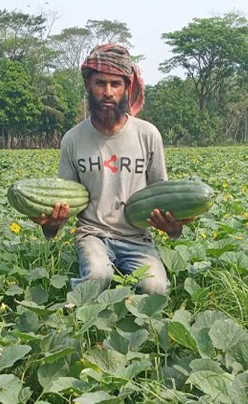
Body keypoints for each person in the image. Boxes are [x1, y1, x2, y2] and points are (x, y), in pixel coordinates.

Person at [31, 43, 194, 295]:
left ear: (127, 88)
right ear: (88, 86)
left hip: (137, 238)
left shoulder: (147, 135)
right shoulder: (73, 140)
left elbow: (162, 195)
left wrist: (174, 228)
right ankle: (74, 313)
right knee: (98, 274)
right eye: (100, 83)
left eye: (116, 84)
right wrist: (50, 225)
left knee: (155, 288)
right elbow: (64, 202)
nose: (108, 92)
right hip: (92, 233)